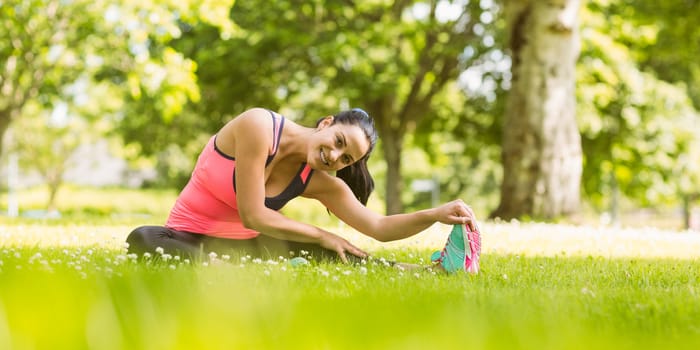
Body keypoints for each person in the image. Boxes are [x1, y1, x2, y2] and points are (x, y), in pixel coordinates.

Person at [126, 107, 481, 273]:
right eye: (338, 141)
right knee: (142, 239)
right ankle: (260, 268)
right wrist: (321, 234)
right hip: (186, 239)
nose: (335, 156)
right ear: (326, 123)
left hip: (248, 247)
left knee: (336, 252)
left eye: (346, 159)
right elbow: (253, 213)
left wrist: (434, 215)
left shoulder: (317, 180)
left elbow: (379, 228)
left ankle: (428, 271)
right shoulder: (258, 126)